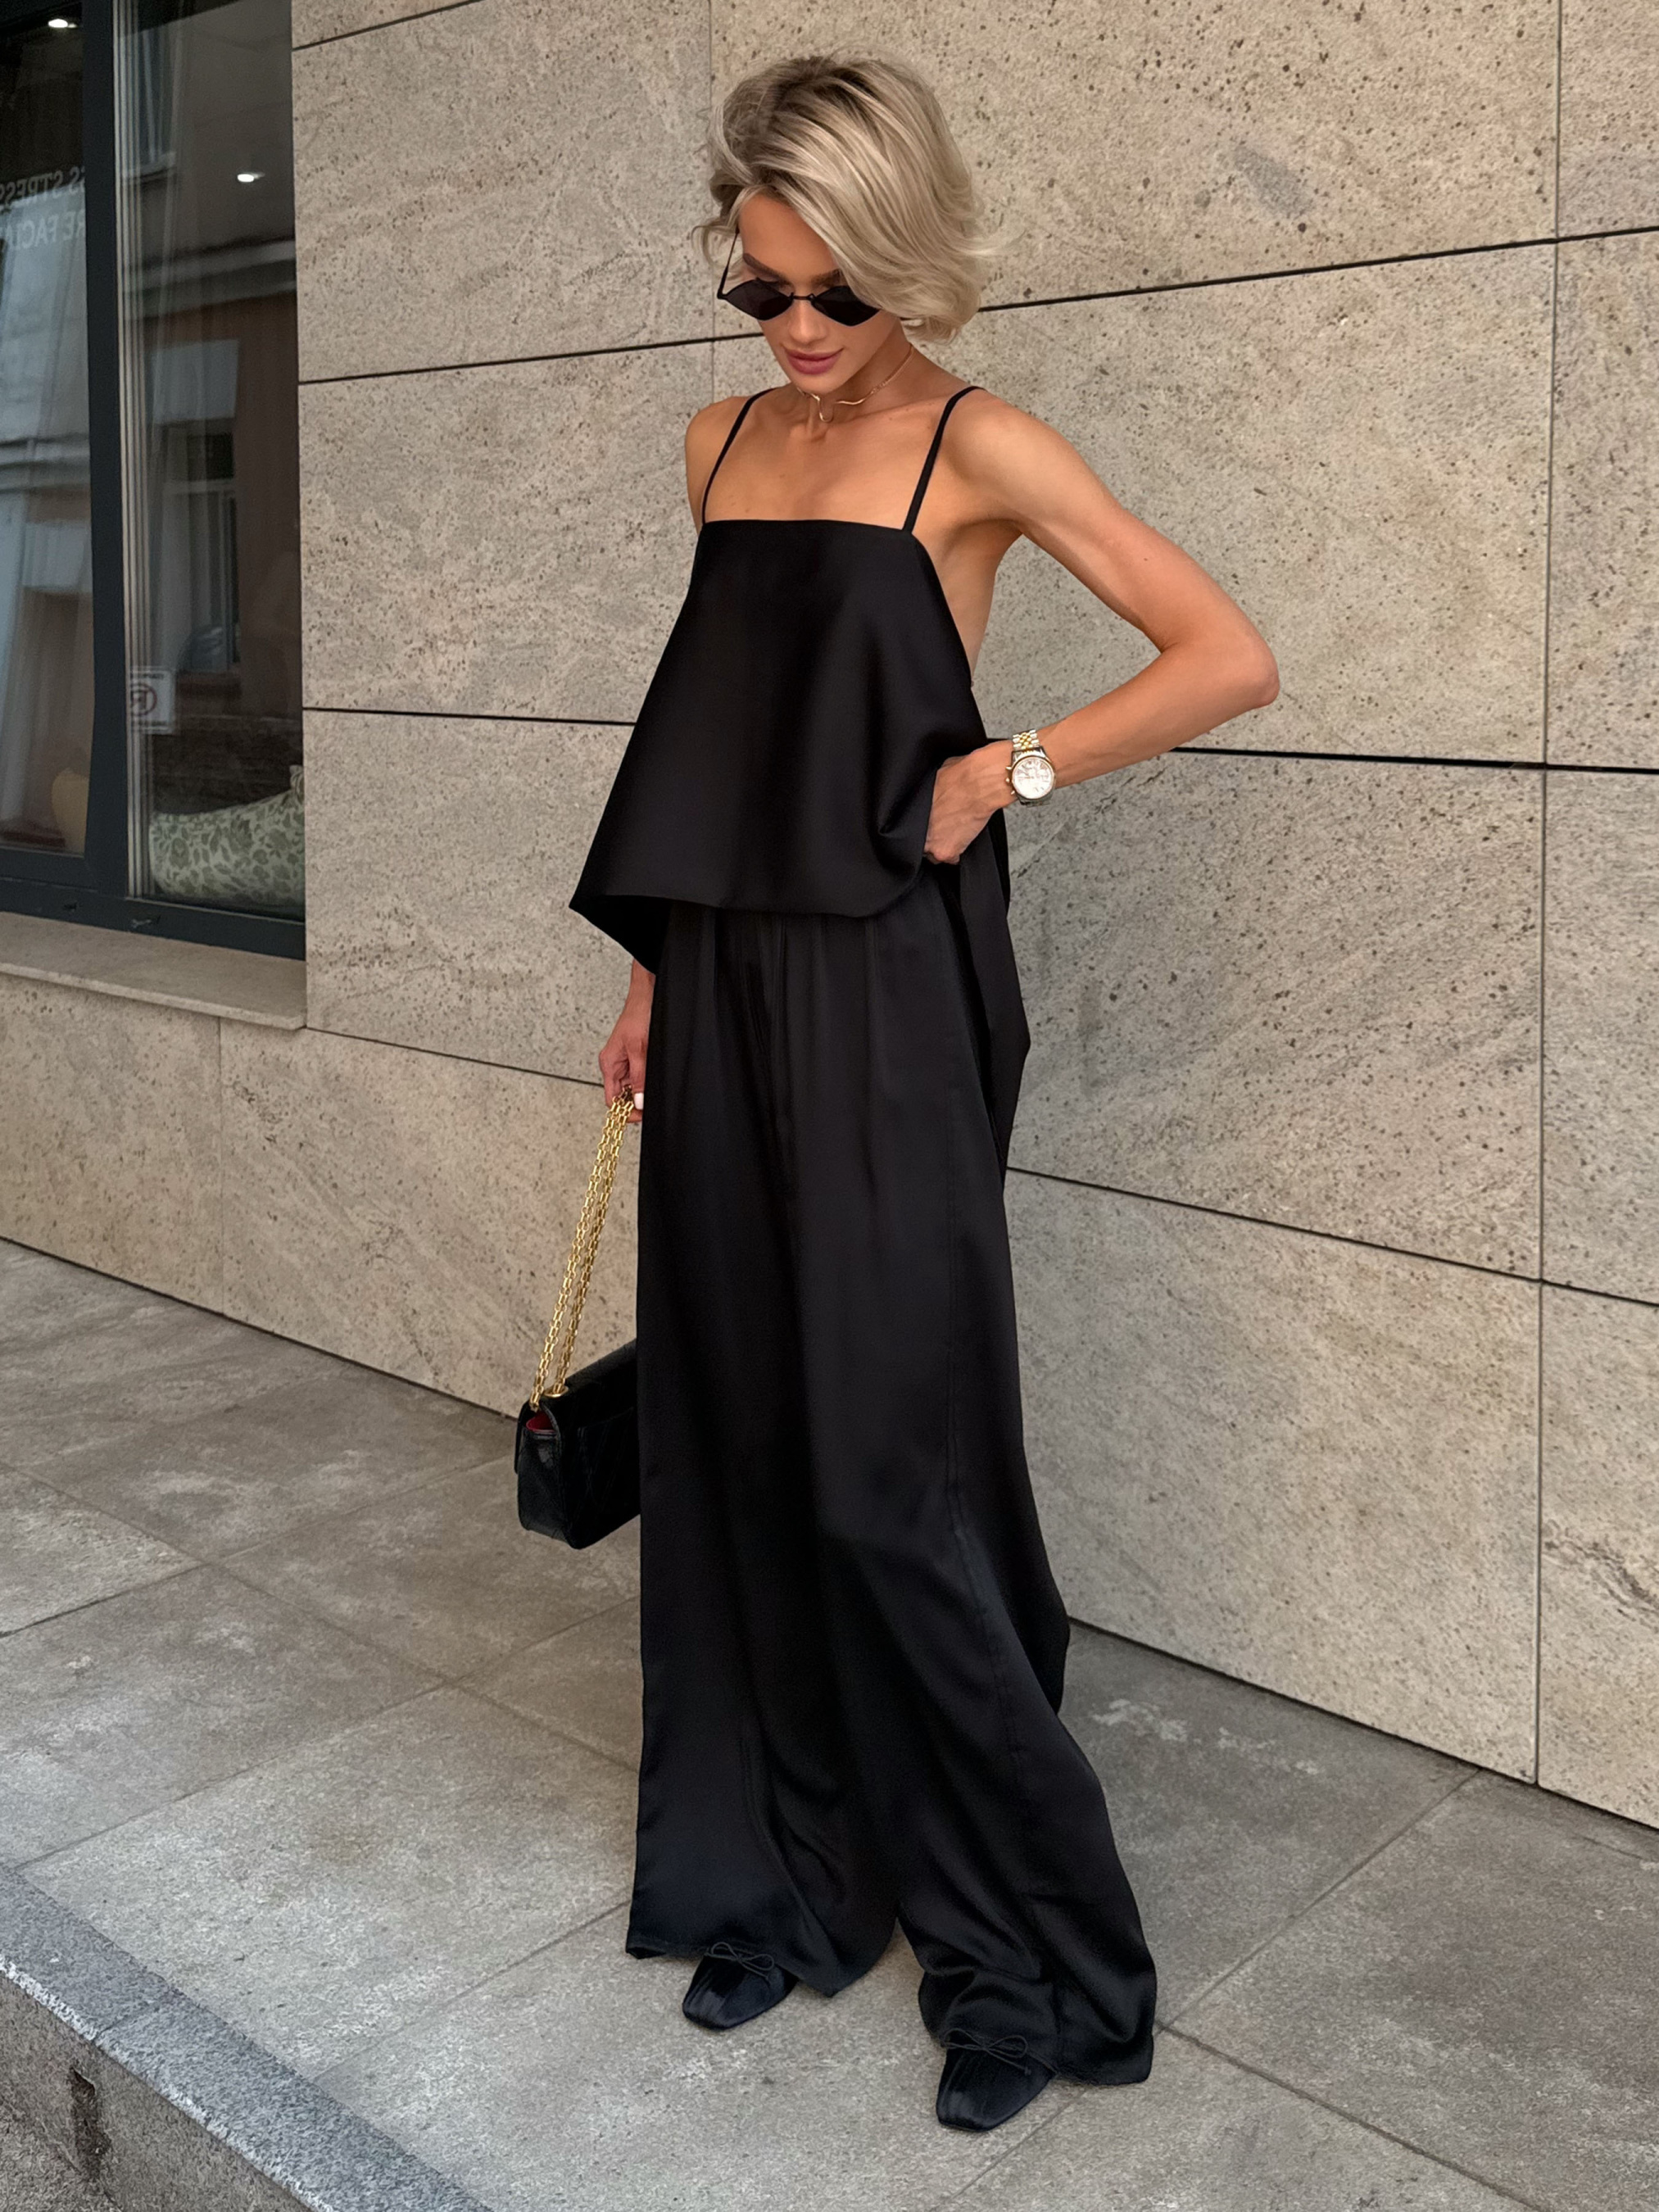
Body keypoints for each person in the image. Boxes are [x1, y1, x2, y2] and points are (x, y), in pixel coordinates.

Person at [569, 51, 1278, 2134]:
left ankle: (1013, 1957)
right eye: (758, 289)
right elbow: (723, 737)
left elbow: (1221, 653)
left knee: (891, 1459)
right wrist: (650, 975)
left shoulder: (980, 445)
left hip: (889, 985)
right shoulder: (716, 446)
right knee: (735, 1420)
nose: (794, 329)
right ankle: (778, 1874)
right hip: (722, 979)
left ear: (907, 264)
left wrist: (1009, 766)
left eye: (834, 291)